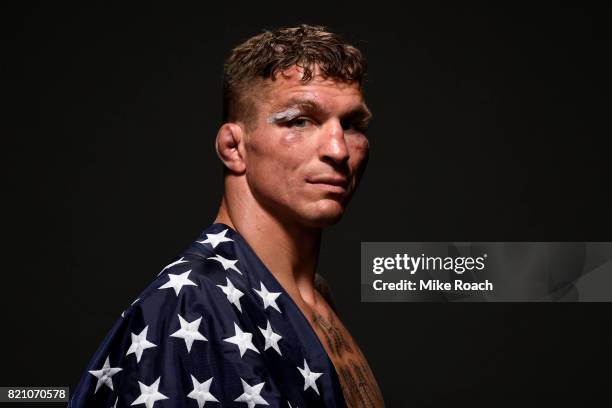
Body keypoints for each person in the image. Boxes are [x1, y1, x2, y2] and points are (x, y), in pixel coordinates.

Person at [70, 24, 384, 408]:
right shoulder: (192, 305)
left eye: (352, 125)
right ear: (234, 147)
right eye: (300, 120)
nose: (338, 149)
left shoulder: (313, 296)